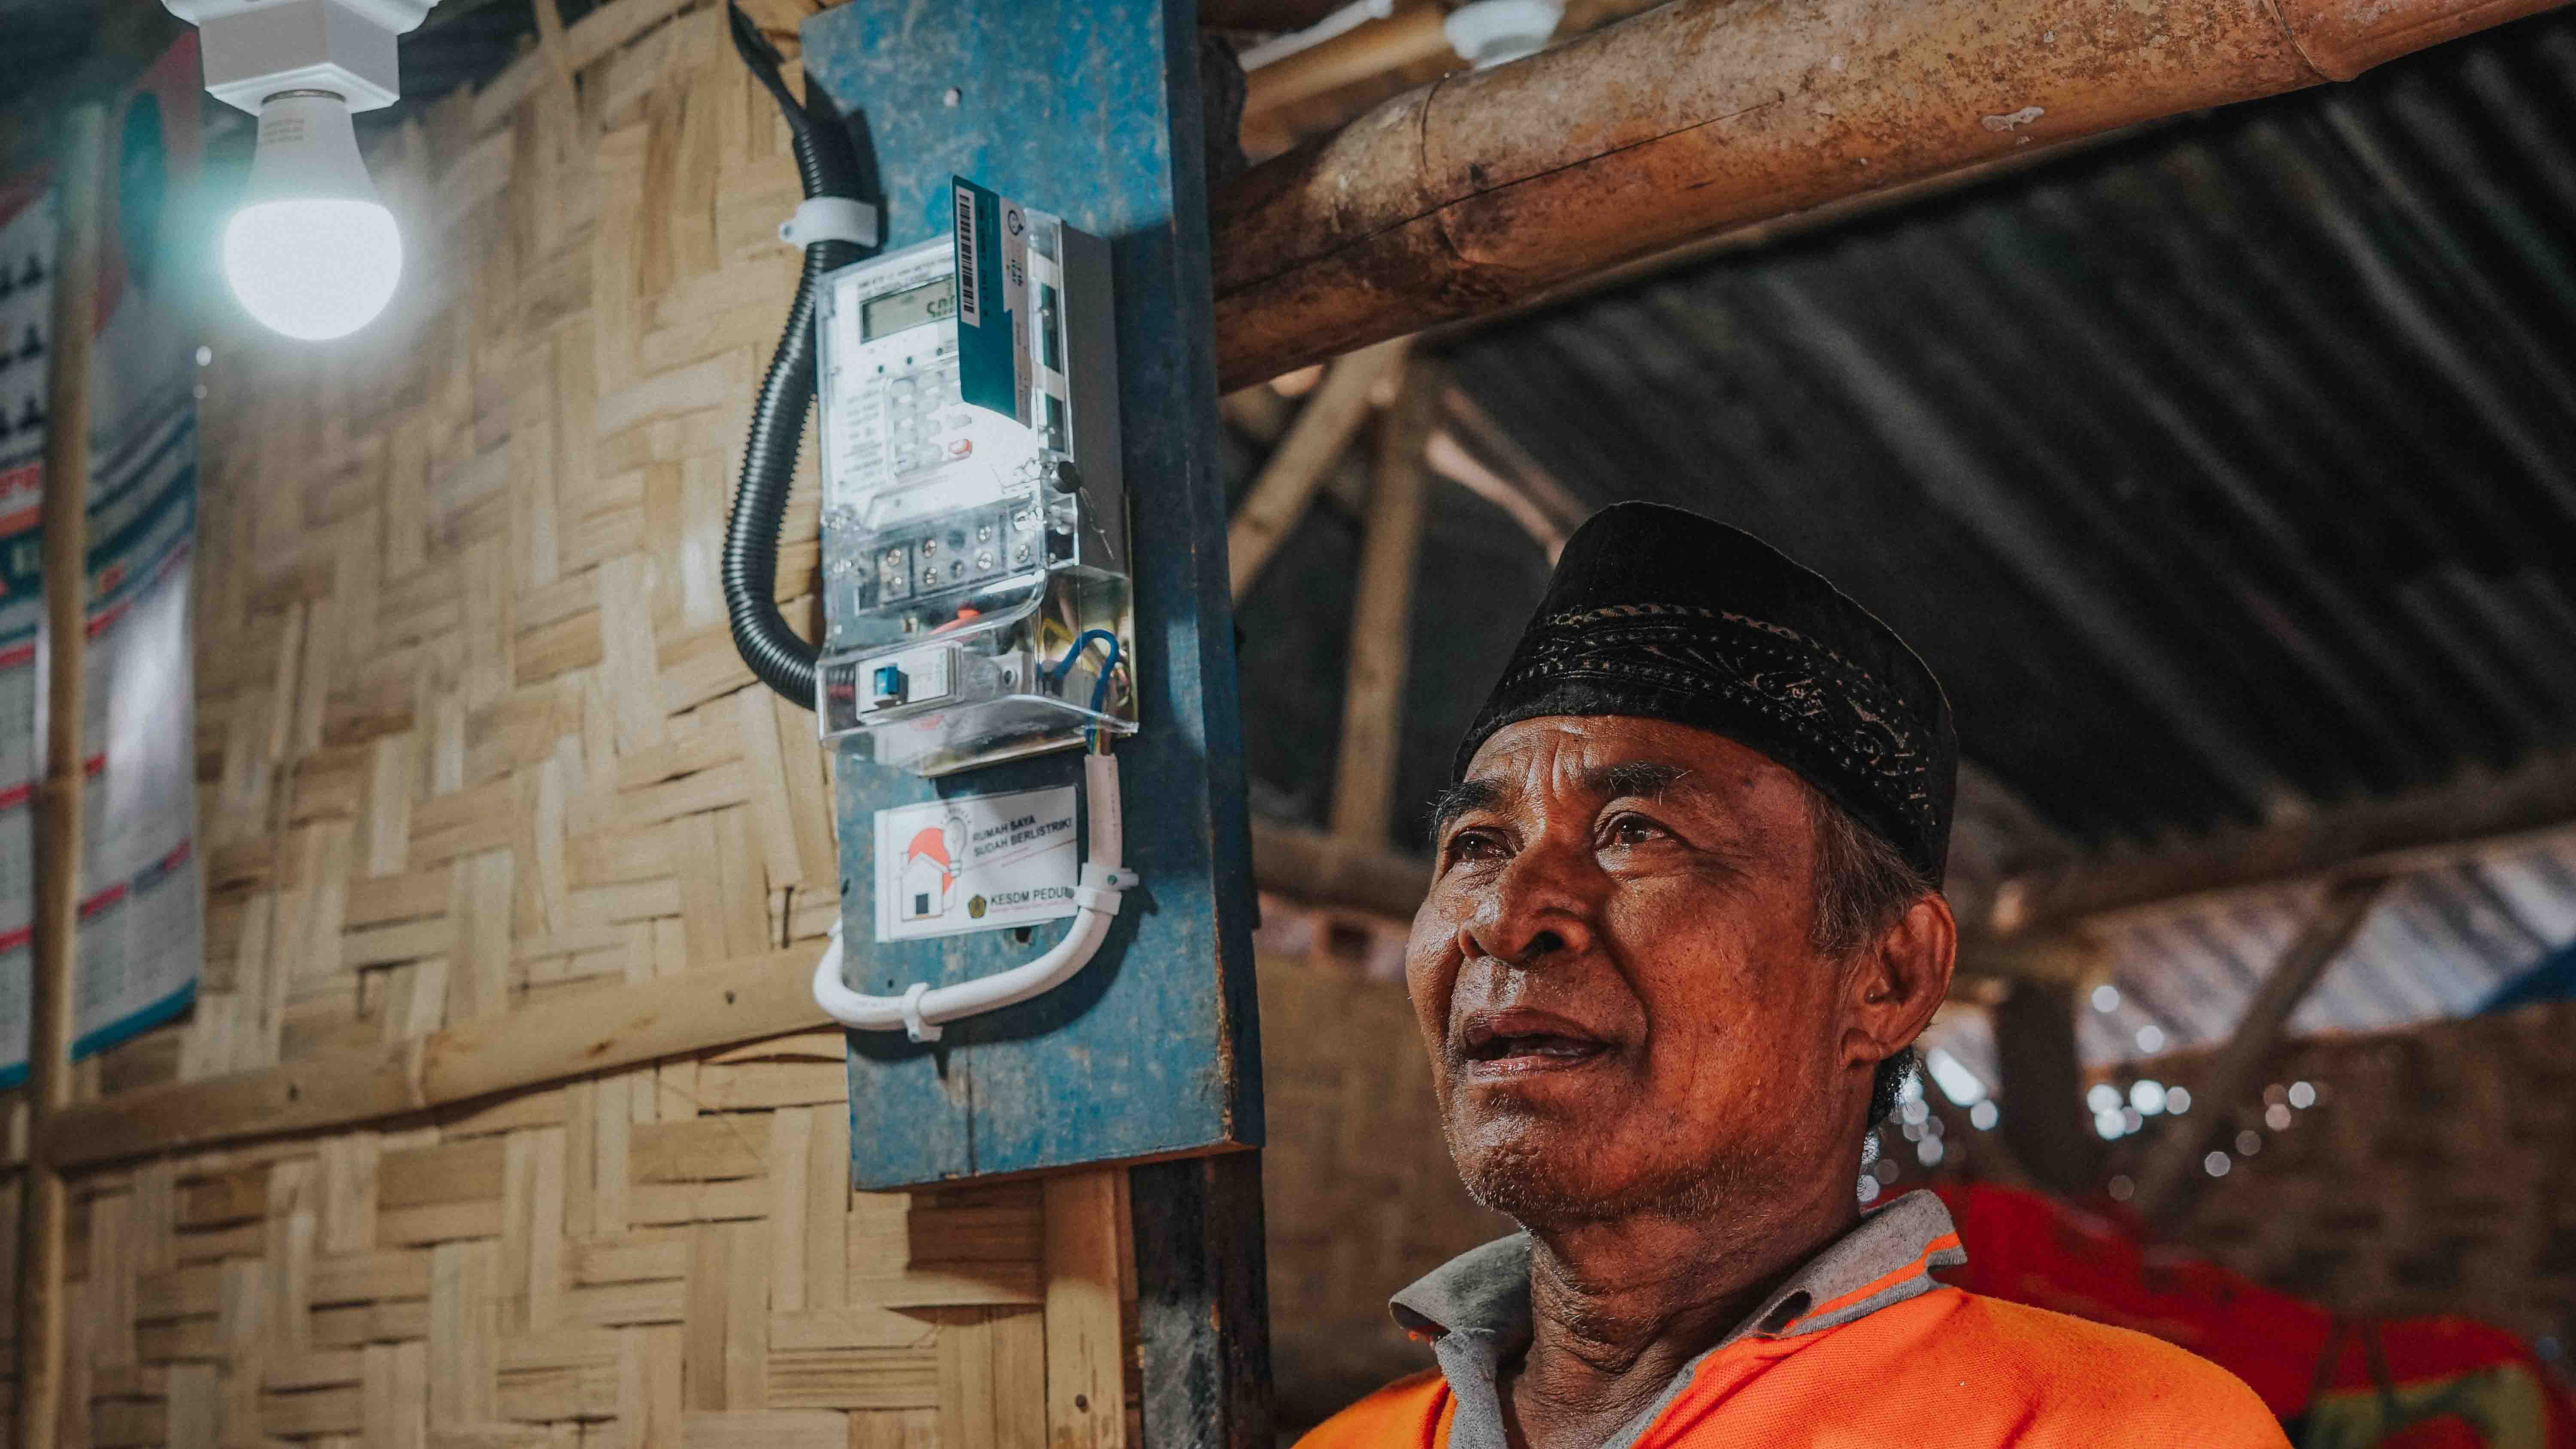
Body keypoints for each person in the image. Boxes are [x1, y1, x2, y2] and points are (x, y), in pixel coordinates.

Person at [1298, 502, 2288, 1449]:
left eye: (1636, 833)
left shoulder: (2116, 1426)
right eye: (1476, 843)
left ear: (1890, 977)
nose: (1508, 918)